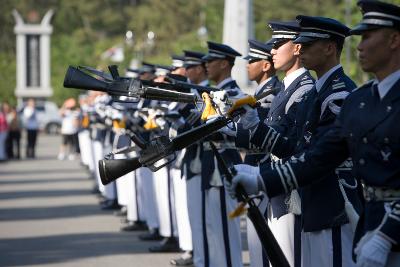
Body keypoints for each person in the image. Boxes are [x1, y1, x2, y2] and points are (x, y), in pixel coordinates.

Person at [229, 1, 400, 266]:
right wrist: (262, 179)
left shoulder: (343, 94)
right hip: (353, 218)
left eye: (367, 36)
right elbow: (317, 155)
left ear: (394, 40)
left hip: (357, 215)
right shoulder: (361, 99)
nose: (360, 46)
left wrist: (387, 235)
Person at [201, 41, 244, 267]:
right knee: (215, 230)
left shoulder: (235, 95)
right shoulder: (212, 95)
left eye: (211, 61)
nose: (206, 65)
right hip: (212, 166)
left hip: (224, 167)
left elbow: (237, 133)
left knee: (226, 234)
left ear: (225, 64)